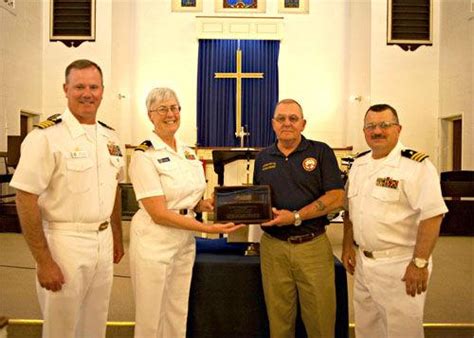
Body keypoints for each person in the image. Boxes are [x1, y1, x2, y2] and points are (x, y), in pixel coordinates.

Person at [10, 59, 125, 338]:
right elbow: (25, 198)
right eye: (80, 86)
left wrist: (117, 238)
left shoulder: (111, 137)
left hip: (102, 241)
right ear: (66, 89)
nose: (88, 93)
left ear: (102, 90)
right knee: (61, 327)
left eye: (94, 87)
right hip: (64, 242)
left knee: (95, 324)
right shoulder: (46, 137)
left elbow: (115, 189)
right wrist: (44, 261)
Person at [128, 87, 243, 338]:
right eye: (162, 109)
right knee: (150, 315)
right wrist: (207, 229)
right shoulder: (144, 156)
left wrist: (204, 205)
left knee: (177, 309)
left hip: (183, 240)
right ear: (150, 115)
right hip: (154, 239)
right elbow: (158, 213)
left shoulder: (187, 151)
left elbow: (187, 198)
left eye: (174, 108)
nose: (170, 114)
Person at [342, 104, 448, 338]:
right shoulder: (359, 165)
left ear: (398, 129)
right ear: (364, 131)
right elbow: (351, 210)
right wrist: (348, 245)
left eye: (384, 125)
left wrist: (419, 263)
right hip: (364, 264)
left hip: (400, 265)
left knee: (402, 332)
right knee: (367, 329)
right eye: (371, 126)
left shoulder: (416, 166)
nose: (377, 131)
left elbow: (432, 216)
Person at [253, 98, 345, 338]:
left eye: (293, 118)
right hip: (273, 250)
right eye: (281, 119)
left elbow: (336, 197)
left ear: (303, 123)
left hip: (312, 247)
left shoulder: (320, 151)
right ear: (273, 124)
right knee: (278, 321)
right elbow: (256, 200)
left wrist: (295, 217)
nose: (287, 123)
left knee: (321, 321)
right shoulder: (263, 158)